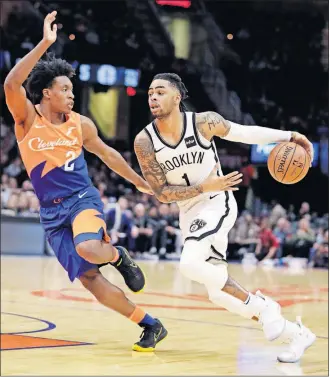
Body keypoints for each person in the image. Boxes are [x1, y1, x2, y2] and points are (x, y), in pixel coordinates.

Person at [4, 11, 167, 352]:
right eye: (64, 89)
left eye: (71, 89)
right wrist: (45, 44)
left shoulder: (81, 124)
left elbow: (108, 155)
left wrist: (138, 181)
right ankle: (150, 324)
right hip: (51, 214)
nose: (71, 95)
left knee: (90, 247)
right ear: (46, 93)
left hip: (82, 200)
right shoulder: (27, 120)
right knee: (91, 280)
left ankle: (119, 255)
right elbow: (10, 84)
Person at [134, 72, 315, 362]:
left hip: (218, 202)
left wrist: (289, 136)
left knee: (190, 264)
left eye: (160, 92)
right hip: (190, 211)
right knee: (219, 294)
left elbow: (244, 132)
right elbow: (163, 194)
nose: (153, 97)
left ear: (177, 97)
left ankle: (266, 308)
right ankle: (295, 333)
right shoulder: (144, 141)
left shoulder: (203, 122)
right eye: (150, 93)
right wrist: (204, 185)